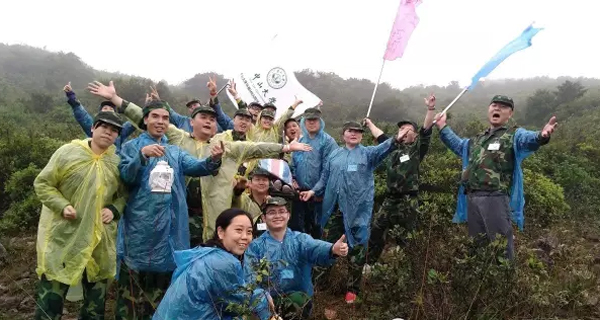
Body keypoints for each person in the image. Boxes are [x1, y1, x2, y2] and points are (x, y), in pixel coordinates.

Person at [87, 80, 312, 247]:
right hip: (178, 213)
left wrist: (285, 148)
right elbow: (149, 119)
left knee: (210, 255)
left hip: (212, 218)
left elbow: (255, 148)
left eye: (212, 119)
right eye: (203, 117)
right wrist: (116, 100)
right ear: (191, 122)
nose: (208, 121)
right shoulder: (178, 139)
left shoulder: (226, 145)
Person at [112, 99, 224, 319]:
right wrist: (142, 155)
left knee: (162, 297)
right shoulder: (131, 147)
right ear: (145, 120)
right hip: (138, 232)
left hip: (169, 234)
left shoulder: (175, 152)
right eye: (155, 116)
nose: (160, 122)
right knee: (131, 297)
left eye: (165, 117)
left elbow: (197, 167)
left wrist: (213, 159)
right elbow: (126, 176)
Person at [436, 95, 558, 260]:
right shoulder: (478, 139)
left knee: (501, 248)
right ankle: (484, 283)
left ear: (510, 113)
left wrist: (541, 136)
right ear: (488, 110)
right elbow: (459, 146)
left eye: (503, 106)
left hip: (495, 197)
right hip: (472, 198)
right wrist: (443, 126)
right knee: (477, 246)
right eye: (494, 105)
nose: (497, 108)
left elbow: (528, 140)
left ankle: (506, 282)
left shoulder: (513, 135)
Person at [33, 112, 126, 319]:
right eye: (104, 127)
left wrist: (114, 209)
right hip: (64, 239)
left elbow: (125, 194)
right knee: (51, 299)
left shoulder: (117, 161)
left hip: (99, 242)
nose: (108, 133)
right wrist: (62, 205)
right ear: (93, 128)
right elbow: (43, 183)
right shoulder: (68, 152)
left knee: (95, 305)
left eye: (114, 131)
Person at [299, 121, 404, 303]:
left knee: (357, 251)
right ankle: (319, 284)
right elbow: (324, 179)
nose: (354, 134)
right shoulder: (334, 155)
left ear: (362, 136)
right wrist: (313, 191)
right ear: (343, 134)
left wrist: (395, 139)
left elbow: (384, 148)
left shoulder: (368, 154)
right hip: (334, 212)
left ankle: (352, 290)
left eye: (358, 131)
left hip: (358, 213)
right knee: (327, 246)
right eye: (350, 131)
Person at [153, 209, 279, 320]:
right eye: (239, 230)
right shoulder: (222, 262)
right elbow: (241, 301)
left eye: (249, 232)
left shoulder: (205, 254)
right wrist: (264, 297)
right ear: (221, 232)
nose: (245, 237)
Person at [360, 95, 436, 271]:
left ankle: (406, 269)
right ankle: (369, 264)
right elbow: (380, 136)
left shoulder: (417, 149)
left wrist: (430, 109)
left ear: (414, 135)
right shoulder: (391, 146)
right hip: (390, 199)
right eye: (400, 128)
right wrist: (369, 123)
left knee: (407, 236)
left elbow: (426, 130)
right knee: (377, 229)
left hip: (408, 200)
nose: (402, 131)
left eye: (407, 129)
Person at [244, 197, 348, 319]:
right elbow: (249, 280)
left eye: (281, 211)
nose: (277, 215)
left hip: (298, 300)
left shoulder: (300, 239)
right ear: (264, 218)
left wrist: (332, 249)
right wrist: (263, 303)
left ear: (288, 215)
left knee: (297, 300)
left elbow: (315, 247)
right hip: (268, 303)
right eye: (272, 212)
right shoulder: (255, 247)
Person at [291, 107, 338, 238]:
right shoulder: (301, 141)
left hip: (319, 197)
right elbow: (294, 164)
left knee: (318, 230)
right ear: (304, 122)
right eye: (308, 120)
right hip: (301, 194)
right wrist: (293, 180)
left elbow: (328, 171)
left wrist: (316, 191)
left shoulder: (328, 142)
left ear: (320, 121)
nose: (311, 123)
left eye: (314, 120)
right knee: (300, 230)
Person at [63, 82, 137, 153]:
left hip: (113, 164)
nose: (108, 111)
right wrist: (71, 96)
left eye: (111, 109)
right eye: (105, 108)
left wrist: (146, 111)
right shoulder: (94, 126)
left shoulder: (120, 130)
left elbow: (135, 121)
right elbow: (82, 115)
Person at [232, 167, 272, 238]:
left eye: (264, 180)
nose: (261, 183)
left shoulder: (272, 203)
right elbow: (236, 200)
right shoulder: (244, 199)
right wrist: (238, 191)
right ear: (250, 183)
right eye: (257, 179)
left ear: (269, 184)